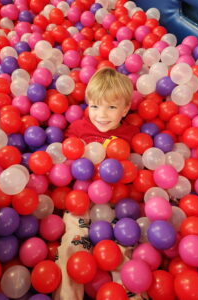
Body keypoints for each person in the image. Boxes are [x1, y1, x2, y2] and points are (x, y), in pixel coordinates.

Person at [53, 68, 145, 300]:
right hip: (80, 201)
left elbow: (134, 170)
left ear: (125, 109)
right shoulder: (79, 128)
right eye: (95, 106)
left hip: (115, 205)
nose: (101, 115)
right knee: (72, 247)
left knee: (123, 251)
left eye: (111, 107)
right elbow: (64, 157)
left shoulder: (130, 134)